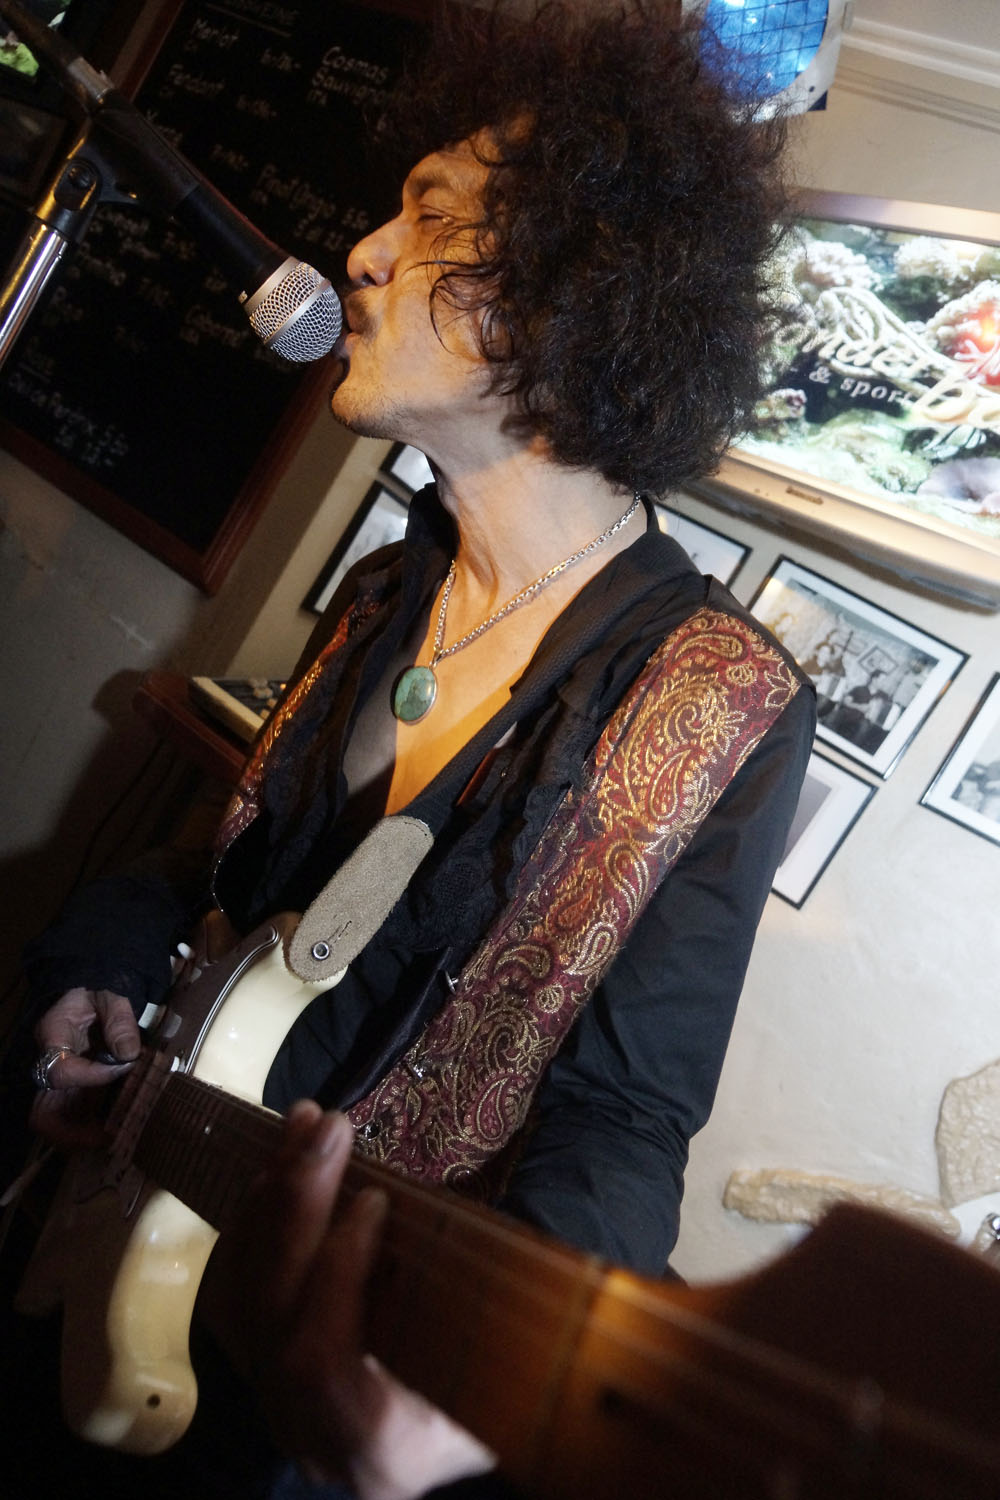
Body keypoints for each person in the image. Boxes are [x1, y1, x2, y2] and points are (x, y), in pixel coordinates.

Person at [13, 2, 815, 1494]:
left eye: (431, 217)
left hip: (291, 1403)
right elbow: (233, 887)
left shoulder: (718, 696)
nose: (366, 253)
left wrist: (488, 1386)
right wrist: (96, 964)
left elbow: (624, 1116)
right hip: (118, 1233)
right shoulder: (392, 586)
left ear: (571, 294)